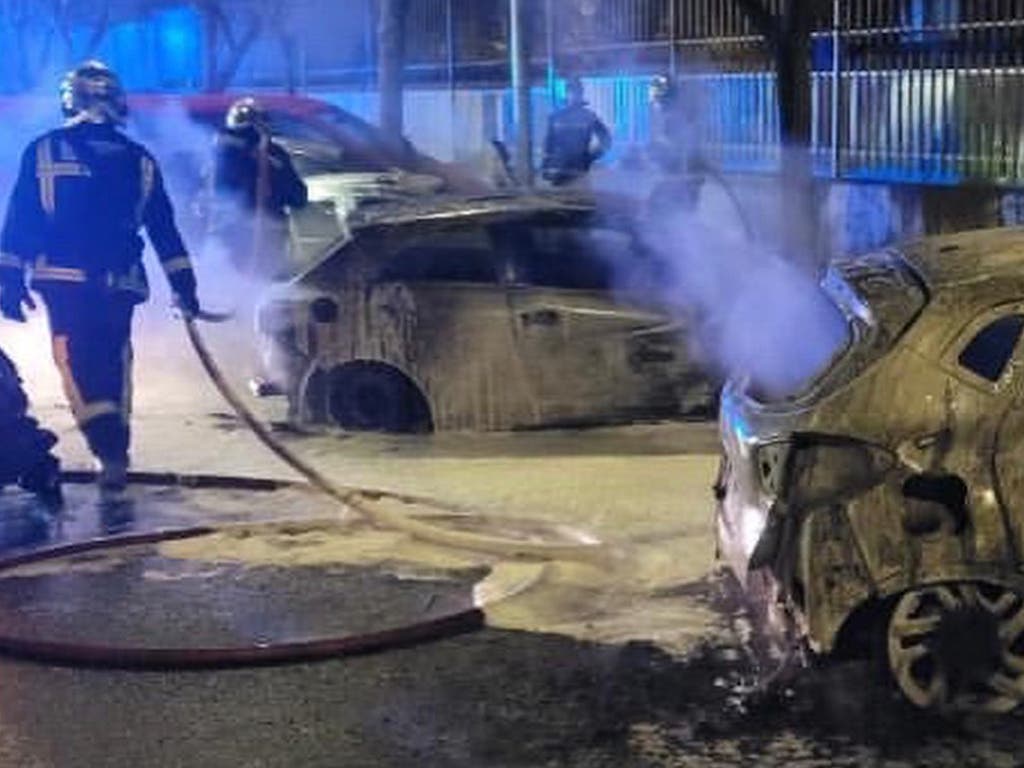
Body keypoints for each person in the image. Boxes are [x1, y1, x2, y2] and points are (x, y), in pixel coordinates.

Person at [0, 60, 202, 507]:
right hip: (121, 284)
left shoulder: (45, 150)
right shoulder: (139, 159)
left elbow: (23, 220)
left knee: (76, 361)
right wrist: (184, 285)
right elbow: (164, 229)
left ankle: (107, 444)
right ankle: (115, 450)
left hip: (64, 280)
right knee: (115, 362)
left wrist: (9, 277)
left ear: (69, 100)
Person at [209, 97, 308, 278]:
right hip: (264, 236)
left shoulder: (215, 153)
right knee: (264, 281)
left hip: (233, 235)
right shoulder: (272, 154)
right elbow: (298, 197)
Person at [540, 77, 612, 187]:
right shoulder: (555, 117)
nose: (574, 95)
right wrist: (546, 166)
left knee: (580, 199)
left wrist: (591, 156)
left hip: (580, 170)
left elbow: (606, 139)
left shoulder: (589, 116)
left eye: (577, 92)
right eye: (571, 92)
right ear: (567, 94)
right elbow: (548, 144)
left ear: (581, 94)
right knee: (560, 200)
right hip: (559, 171)